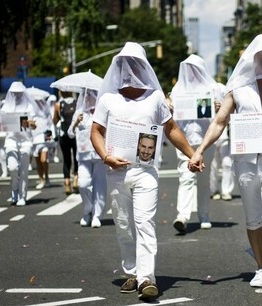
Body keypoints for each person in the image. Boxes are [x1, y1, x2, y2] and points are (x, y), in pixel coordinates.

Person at [188, 33, 262, 296]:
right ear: (252, 59)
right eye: (259, 56)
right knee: (253, 219)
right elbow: (219, 121)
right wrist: (200, 151)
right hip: (246, 163)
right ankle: (261, 268)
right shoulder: (238, 87)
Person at [90, 42, 195, 301]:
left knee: (144, 223)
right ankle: (133, 272)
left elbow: (170, 129)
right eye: (125, 64)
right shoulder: (108, 99)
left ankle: (148, 278)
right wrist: (106, 156)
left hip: (146, 171)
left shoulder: (156, 98)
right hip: (116, 171)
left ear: (144, 66)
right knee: (124, 225)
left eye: (135, 64)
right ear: (119, 67)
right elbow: (96, 132)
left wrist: (192, 154)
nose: (130, 69)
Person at [168, 54, 219, 233]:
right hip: (185, 142)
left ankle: (204, 215)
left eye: (194, 68)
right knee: (186, 177)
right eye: (187, 68)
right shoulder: (177, 90)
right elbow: (170, 116)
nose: (191, 72)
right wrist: (170, 106)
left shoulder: (212, 89)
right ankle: (182, 216)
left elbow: (221, 117)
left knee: (204, 180)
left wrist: (218, 107)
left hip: (206, 142)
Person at [68, 88, 106, 228]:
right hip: (83, 155)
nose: (88, 97)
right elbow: (70, 134)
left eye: (91, 94)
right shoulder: (79, 113)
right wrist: (76, 123)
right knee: (83, 183)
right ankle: (87, 210)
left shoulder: (101, 112)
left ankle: (97, 215)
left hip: (99, 154)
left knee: (99, 185)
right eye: (85, 95)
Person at [0, 82, 39, 206]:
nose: (17, 96)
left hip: (25, 140)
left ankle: (22, 195)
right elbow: (1, 125)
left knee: (24, 170)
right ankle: (14, 189)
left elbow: (34, 126)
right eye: (14, 93)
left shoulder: (29, 107)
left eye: (19, 93)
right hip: (11, 140)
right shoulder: (6, 107)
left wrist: (30, 123)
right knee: (13, 167)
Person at [209, 83, 234, 201]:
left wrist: (222, 109)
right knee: (213, 166)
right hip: (209, 136)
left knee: (227, 163)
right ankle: (214, 190)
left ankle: (226, 190)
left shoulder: (224, 91)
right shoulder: (202, 92)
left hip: (224, 136)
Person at [54, 91, 78, 194]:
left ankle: (67, 182)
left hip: (63, 135)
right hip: (75, 133)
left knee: (66, 159)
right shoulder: (77, 103)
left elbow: (55, 120)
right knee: (77, 157)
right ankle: (76, 178)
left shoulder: (58, 105)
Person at [32, 93, 54, 189]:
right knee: (37, 161)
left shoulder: (46, 114)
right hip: (34, 139)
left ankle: (47, 176)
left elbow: (50, 125)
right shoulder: (32, 114)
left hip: (44, 139)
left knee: (43, 160)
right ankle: (41, 179)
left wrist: (50, 137)